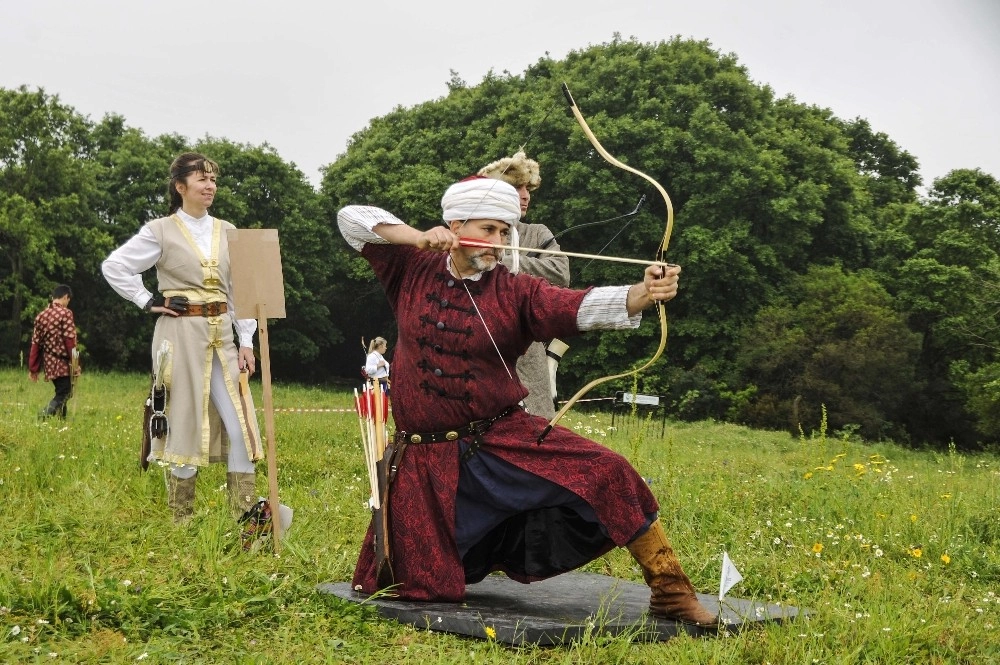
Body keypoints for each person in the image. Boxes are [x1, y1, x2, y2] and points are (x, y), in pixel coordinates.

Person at [337, 176, 717, 625]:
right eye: (489, 229)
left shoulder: (516, 291)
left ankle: (670, 590)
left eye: (505, 232)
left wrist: (641, 294)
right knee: (411, 585)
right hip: (424, 459)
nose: (500, 242)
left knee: (609, 471)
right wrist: (416, 237)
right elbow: (352, 219)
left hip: (498, 438)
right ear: (455, 224)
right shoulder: (410, 267)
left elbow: (574, 306)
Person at [102, 152, 263, 524]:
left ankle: (246, 519)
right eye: (202, 180)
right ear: (181, 187)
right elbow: (115, 266)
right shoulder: (160, 230)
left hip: (222, 336)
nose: (211, 186)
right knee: (185, 422)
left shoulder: (229, 231)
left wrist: (247, 341)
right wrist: (148, 300)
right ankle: (181, 519)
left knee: (240, 425)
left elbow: (239, 291)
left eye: (214, 180)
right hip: (180, 336)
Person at [477, 152, 569, 419]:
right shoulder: (472, 235)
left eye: (528, 188)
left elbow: (561, 272)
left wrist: (505, 260)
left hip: (528, 352)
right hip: (480, 346)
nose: (525, 194)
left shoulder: (537, 233)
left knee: (538, 427)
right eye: (517, 187)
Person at [28, 284, 79, 418]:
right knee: (65, 393)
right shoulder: (66, 313)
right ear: (65, 297)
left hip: (49, 363)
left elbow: (36, 344)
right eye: (68, 300)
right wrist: (75, 363)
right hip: (62, 363)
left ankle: (61, 423)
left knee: (62, 391)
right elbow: (70, 341)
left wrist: (33, 368)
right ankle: (43, 415)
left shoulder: (41, 316)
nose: (68, 303)